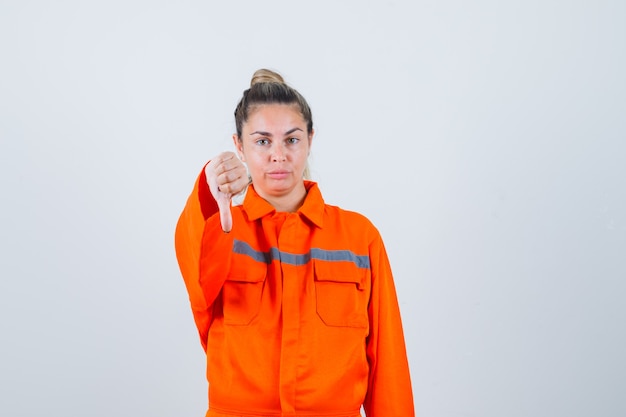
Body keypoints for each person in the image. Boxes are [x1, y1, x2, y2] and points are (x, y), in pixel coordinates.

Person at [174, 69, 414, 417]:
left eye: (291, 139)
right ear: (238, 146)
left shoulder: (359, 237)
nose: (278, 155)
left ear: (310, 140)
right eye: (262, 141)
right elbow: (198, 282)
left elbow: (388, 366)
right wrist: (211, 194)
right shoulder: (222, 230)